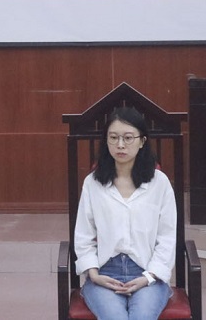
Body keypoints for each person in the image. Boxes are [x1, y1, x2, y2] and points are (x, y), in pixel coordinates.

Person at [74, 106, 176, 320]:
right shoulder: (93, 183)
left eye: (128, 138)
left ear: (142, 141)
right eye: (113, 138)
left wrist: (149, 276)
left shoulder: (160, 183)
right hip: (105, 274)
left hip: (147, 273)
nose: (120, 145)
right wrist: (93, 274)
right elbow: (84, 236)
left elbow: (167, 237)